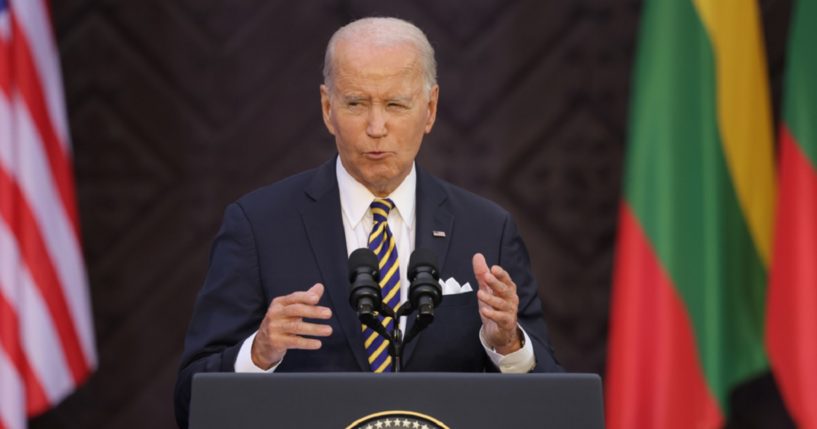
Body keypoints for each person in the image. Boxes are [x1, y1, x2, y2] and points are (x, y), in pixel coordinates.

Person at [174, 16, 561, 428]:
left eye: (395, 104)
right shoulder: (258, 225)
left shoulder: (487, 229)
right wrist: (257, 353)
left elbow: (555, 405)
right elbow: (189, 402)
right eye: (356, 103)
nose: (376, 128)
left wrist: (510, 346)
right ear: (328, 109)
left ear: (429, 109)